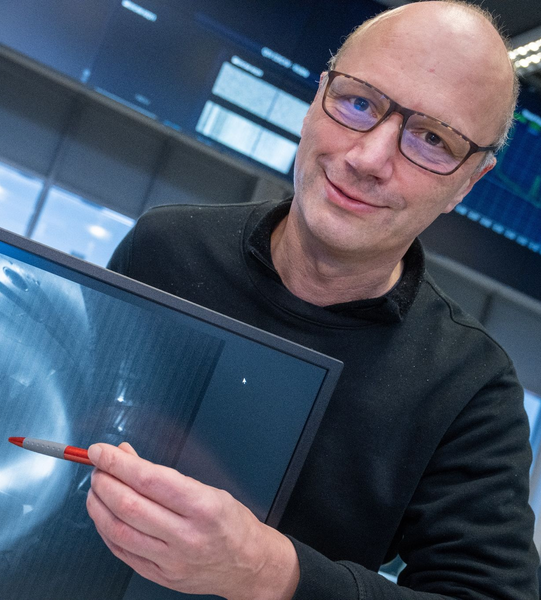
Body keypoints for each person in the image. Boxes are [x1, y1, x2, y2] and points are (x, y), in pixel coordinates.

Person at [84, 1, 540, 599]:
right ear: (314, 99)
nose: (368, 159)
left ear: (468, 182)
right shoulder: (164, 249)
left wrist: (273, 573)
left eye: (432, 139)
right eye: (358, 103)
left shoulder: (468, 390)